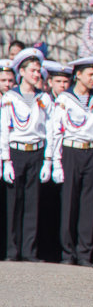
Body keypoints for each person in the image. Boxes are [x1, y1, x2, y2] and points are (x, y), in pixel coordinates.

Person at [47, 57, 93, 267]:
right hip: (71, 150)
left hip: (92, 150)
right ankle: (67, 252)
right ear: (78, 75)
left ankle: (85, 253)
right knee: (69, 202)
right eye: (90, 74)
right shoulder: (65, 99)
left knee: (88, 204)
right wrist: (54, 161)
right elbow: (56, 131)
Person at [1, 48, 53, 261]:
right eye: (32, 70)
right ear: (21, 72)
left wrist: (48, 160)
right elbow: (5, 129)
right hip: (16, 151)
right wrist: (6, 160)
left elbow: (49, 129)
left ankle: (29, 250)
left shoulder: (44, 98)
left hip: (36, 151)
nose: (36, 74)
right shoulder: (10, 98)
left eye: (38, 70)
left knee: (32, 202)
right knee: (14, 202)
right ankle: (12, 250)